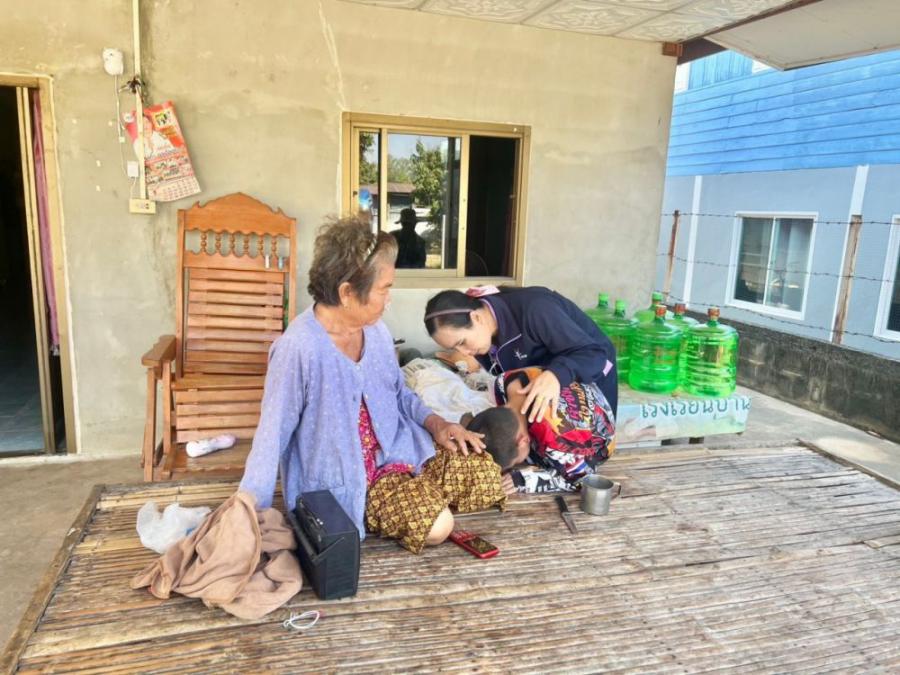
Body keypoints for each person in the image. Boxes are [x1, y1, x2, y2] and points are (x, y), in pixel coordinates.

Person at [239, 217, 505, 553]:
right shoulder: (298, 349)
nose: (389, 299)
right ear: (347, 293)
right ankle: (386, 506)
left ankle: (419, 489)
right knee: (439, 526)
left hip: (400, 450)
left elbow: (399, 393)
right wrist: (248, 517)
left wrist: (438, 425)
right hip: (352, 482)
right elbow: (271, 437)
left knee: (486, 475)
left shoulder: (376, 331)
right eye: (384, 289)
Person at [424, 286, 619, 421]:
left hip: (589, 372)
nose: (464, 352)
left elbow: (593, 354)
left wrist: (555, 375)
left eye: (462, 342)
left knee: (581, 446)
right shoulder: (483, 341)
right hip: (551, 379)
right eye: (455, 348)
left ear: (476, 317)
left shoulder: (536, 309)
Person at [465, 367, 615, 494]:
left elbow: (581, 480)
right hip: (580, 396)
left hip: (598, 442)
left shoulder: (556, 441)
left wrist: (524, 480)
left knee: (552, 464)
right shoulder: (504, 382)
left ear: (523, 441)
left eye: (516, 462)